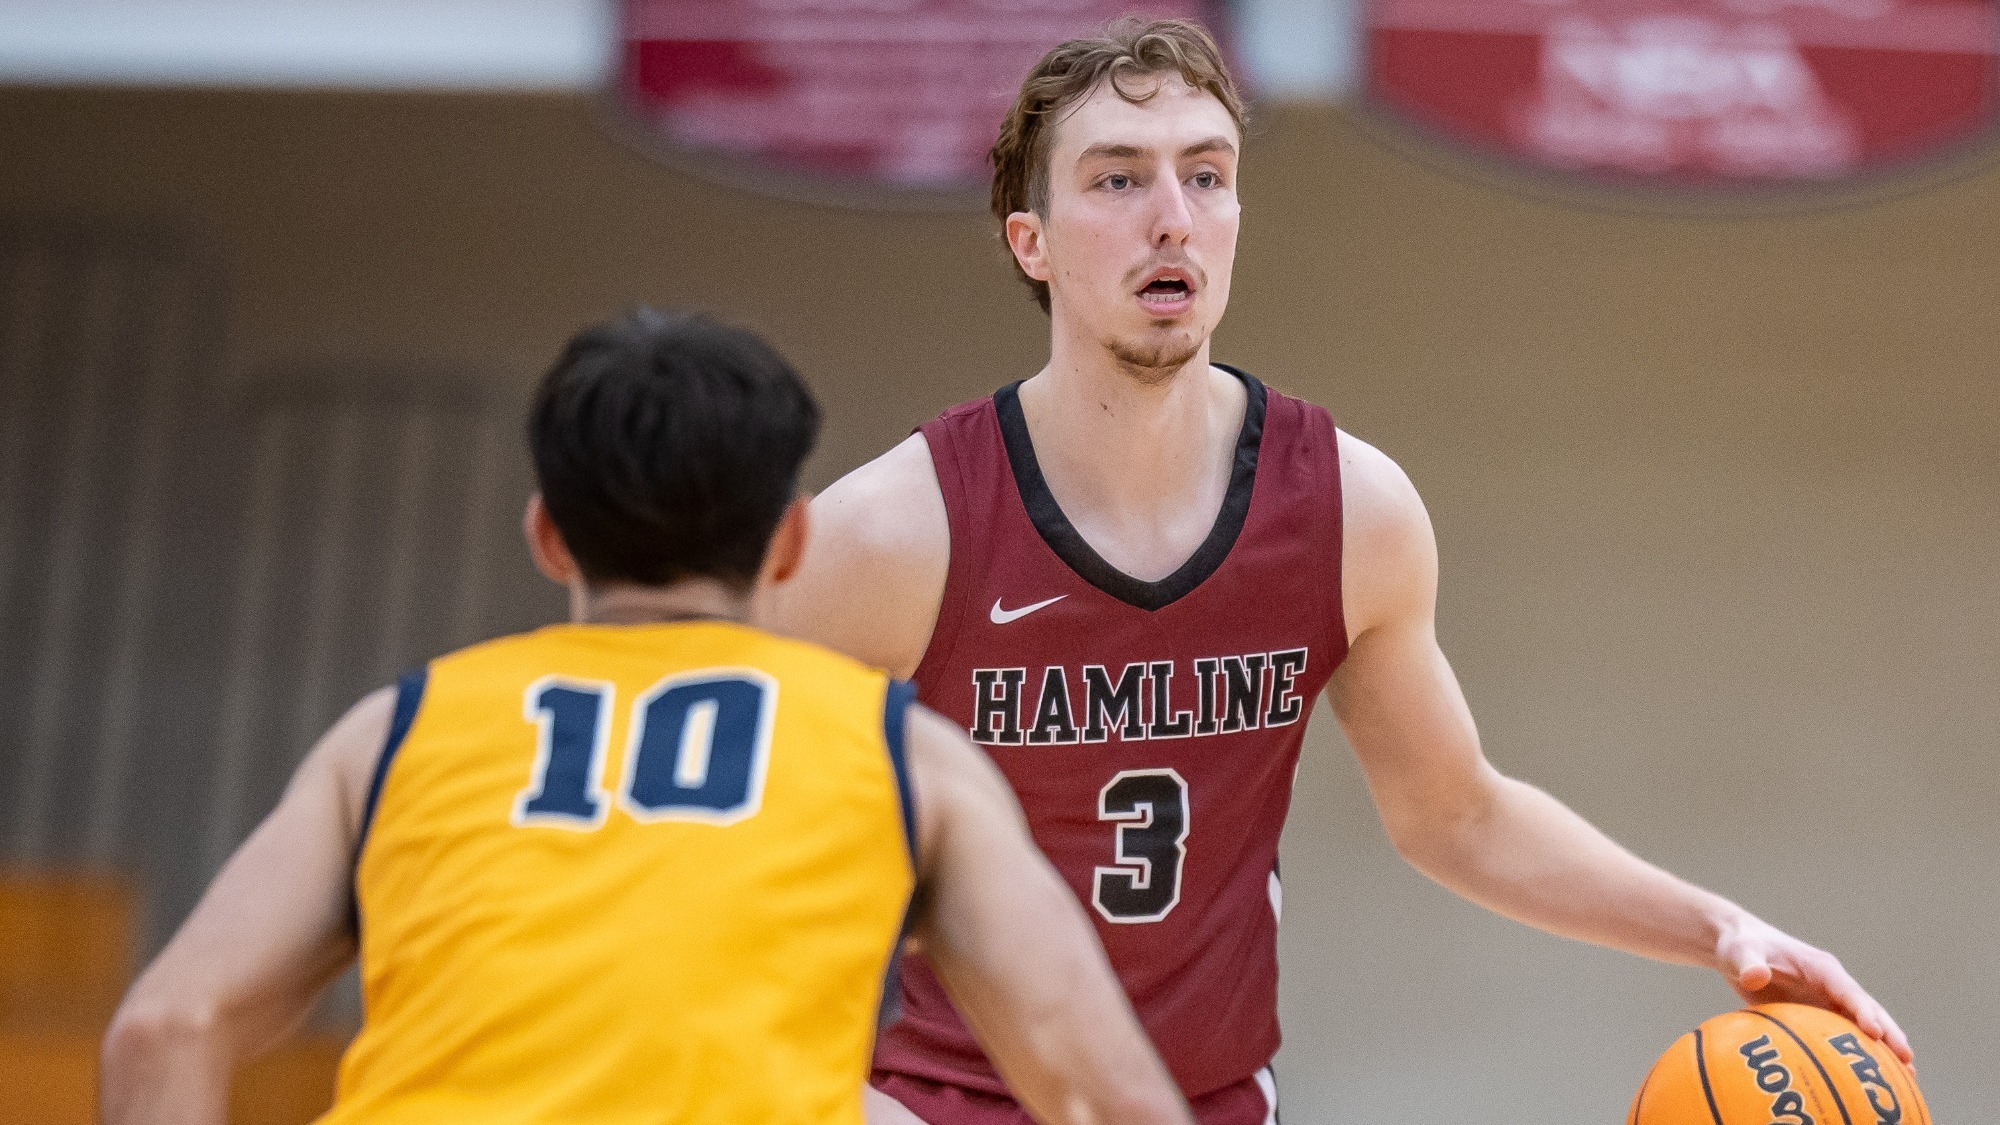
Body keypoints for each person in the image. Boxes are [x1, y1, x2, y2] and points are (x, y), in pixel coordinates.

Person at [764, 19, 1914, 1125]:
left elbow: (1454, 813)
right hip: (936, 1105)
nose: (1172, 218)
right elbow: (704, 842)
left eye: (1205, 176)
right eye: (1118, 181)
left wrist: (1718, 928)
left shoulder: (1347, 510)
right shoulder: (894, 532)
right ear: (1032, 241)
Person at [98, 309, 1195, 1125]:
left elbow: (164, 1029)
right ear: (791, 542)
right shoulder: (899, 754)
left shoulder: (397, 732)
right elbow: (1102, 1091)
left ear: (547, 537)